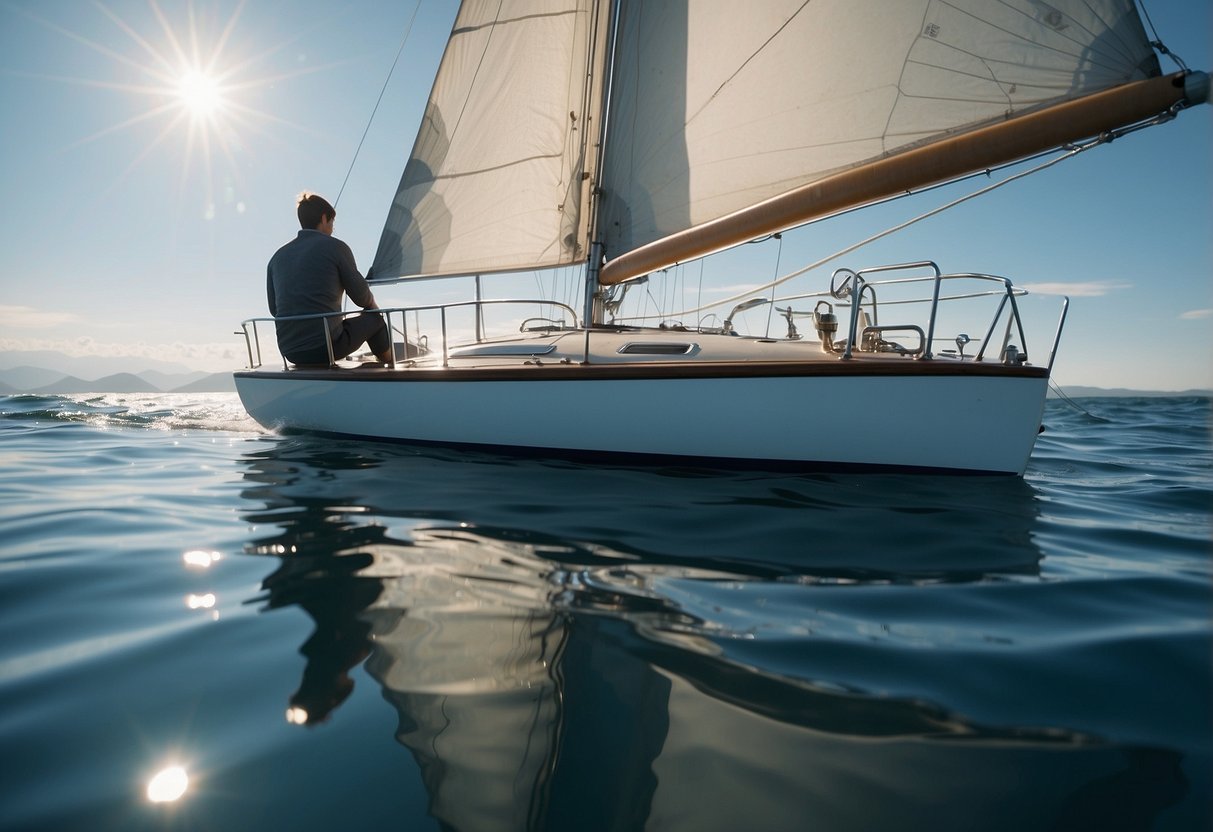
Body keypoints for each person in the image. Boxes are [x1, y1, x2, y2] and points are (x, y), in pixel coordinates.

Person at [266, 192, 392, 365]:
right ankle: (389, 365)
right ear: (324, 218)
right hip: (326, 348)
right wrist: (373, 308)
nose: (333, 228)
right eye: (333, 222)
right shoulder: (336, 247)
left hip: (291, 351)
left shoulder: (276, 258)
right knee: (375, 318)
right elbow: (361, 298)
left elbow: (274, 310)